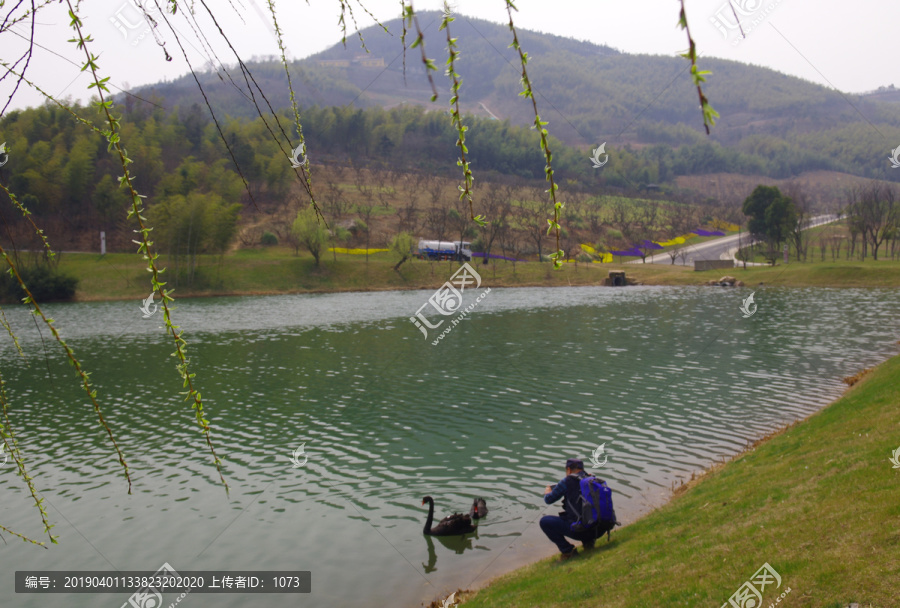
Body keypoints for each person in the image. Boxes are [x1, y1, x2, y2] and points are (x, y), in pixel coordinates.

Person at [540, 458, 614, 560]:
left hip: (581, 531)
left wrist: (547, 492)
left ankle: (568, 551)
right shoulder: (592, 478)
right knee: (584, 511)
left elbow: (548, 500)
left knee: (545, 521)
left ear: (569, 470)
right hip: (600, 529)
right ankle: (589, 543)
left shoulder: (567, 481)